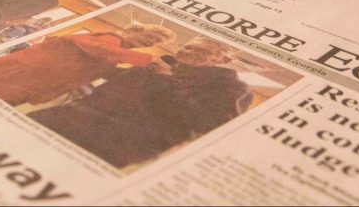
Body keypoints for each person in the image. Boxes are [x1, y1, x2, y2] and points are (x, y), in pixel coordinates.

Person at [28, 37, 252, 168]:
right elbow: (116, 82)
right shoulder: (162, 67)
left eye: (201, 50)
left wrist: (168, 81)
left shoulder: (232, 88)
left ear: (222, 61)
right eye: (189, 46)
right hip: (72, 115)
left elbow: (207, 123)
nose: (190, 51)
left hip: (120, 141)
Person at [0, 23, 176, 106]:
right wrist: (148, 60)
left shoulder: (118, 55)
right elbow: (102, 51)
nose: (150, 42)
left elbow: (109, 71)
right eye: (150, 36)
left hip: (34, 81)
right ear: (133, 31)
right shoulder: (107, 39)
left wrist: (158, 74)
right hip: (23, 71)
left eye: (155, 42)